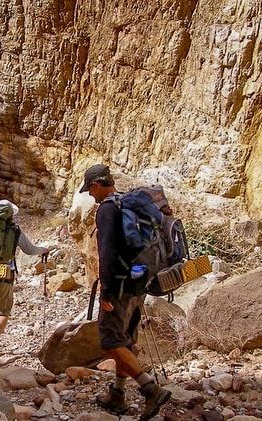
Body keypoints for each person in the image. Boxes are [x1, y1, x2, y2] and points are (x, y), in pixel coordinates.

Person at [79, 164, 172, 420]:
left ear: (97, 185)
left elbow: (106, 252)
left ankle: (149, 388)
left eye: (90, 190)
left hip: (119, 284)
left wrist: (106, 292)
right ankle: (117, 394)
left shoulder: (108, 209)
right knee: (126, 337)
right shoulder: (128, 204)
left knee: (110, 340)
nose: (90, 195)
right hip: (140, 281)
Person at [0, 199, 50, 362]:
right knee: (4, 311)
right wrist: (43, 250)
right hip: (2, 274)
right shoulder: (12, 229)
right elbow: (30, 250)